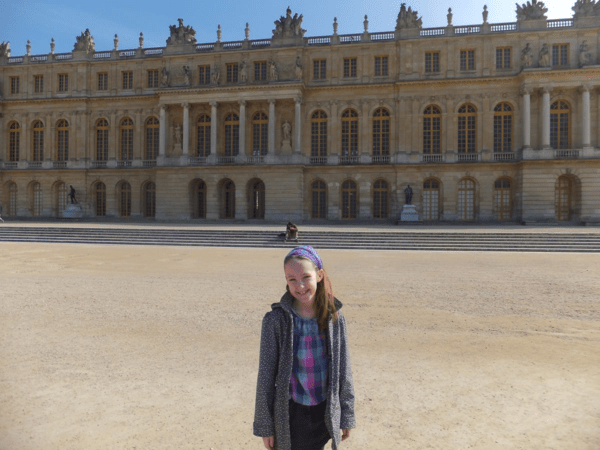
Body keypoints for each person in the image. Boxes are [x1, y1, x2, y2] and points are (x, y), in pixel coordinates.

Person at [254, 246, 355, 450]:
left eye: (305, 277)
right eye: (291, 279)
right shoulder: (275, 321)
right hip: (292, 413)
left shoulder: (334, 318)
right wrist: (266, 425)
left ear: (319, 275)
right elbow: (265, 374)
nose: (299, 285)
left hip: (324, 411)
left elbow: (344, 369)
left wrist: (347, 414)